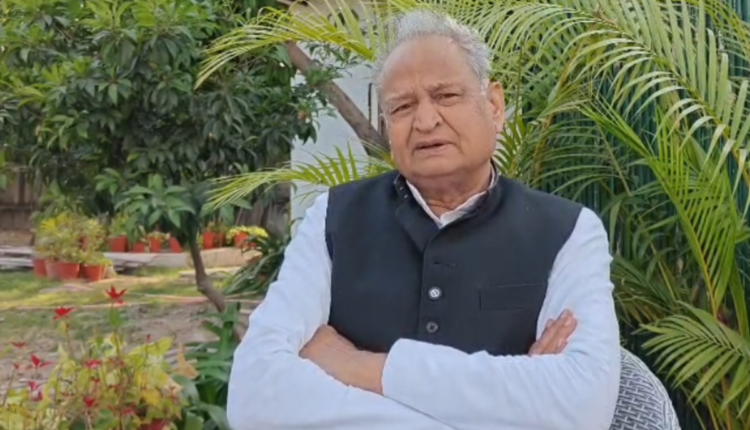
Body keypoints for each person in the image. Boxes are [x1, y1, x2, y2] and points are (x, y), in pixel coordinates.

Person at [226, 9, 620, 430]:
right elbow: (254, 397)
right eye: (402, 106)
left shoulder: (567, 232)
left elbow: (584, 407)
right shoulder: (333, 219)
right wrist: (510, 406)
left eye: (446, 96)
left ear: (494, 106)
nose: (426, 121)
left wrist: (359, 366)